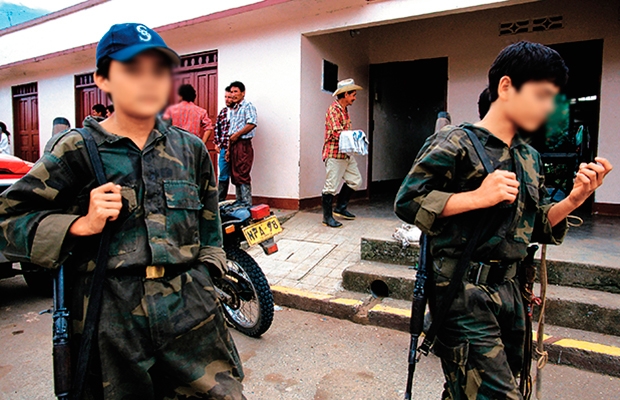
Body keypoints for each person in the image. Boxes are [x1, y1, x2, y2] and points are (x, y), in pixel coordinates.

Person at [0, 23, 245, 399]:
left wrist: (205, 280)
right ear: (103, 79)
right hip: (111, 321)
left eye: (158, 70)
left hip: (191, 315)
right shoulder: (77, 150)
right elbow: (8, 219)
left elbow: (209, 229)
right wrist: (80, 224)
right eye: (132, 70)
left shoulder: (191, 150)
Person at [395, 41, 612, 399]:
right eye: (542, 95)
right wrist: (477, 197)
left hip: (511, 292)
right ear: (507, 87)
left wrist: (575, 199)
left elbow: (536, 225)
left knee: (492, 385)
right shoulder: (455, 142)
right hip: (463, 291)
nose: (549, 107)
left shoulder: (529, 157)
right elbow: (407, 201)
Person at [321, 78, 363, 228]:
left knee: (355, 180)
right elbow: (336, 132)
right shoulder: (334, 110)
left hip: (345, 154)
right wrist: (354, 137)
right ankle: (327, 217)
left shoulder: (344, 110)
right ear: (346, 94)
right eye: (353, 95)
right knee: (330, 186)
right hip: (334, 154)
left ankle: (340, 208)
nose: (354, 98)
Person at [227, 81, 256, 207]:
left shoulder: (247, 106)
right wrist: (228, 150)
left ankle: (247, 205)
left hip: (243, 144)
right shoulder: (234, 109)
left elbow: (252, 123)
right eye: (231, 92)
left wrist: (237, 135)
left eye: (236, 92)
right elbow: (231, 131)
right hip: (234, 144)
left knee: (242, 173)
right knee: (235, 175)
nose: (233, 94)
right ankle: (239, 204)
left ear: (243, 93)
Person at [214, 86, 235, 202]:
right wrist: (217, 143)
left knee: (238, 175)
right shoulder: (223, 112)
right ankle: (220, 200)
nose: (227, 99)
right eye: (225, 97)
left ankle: (241, 201)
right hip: (223, 148)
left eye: (229, 97)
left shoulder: (238, 111)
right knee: (223, 174)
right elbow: (217, 127)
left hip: (235, 148)